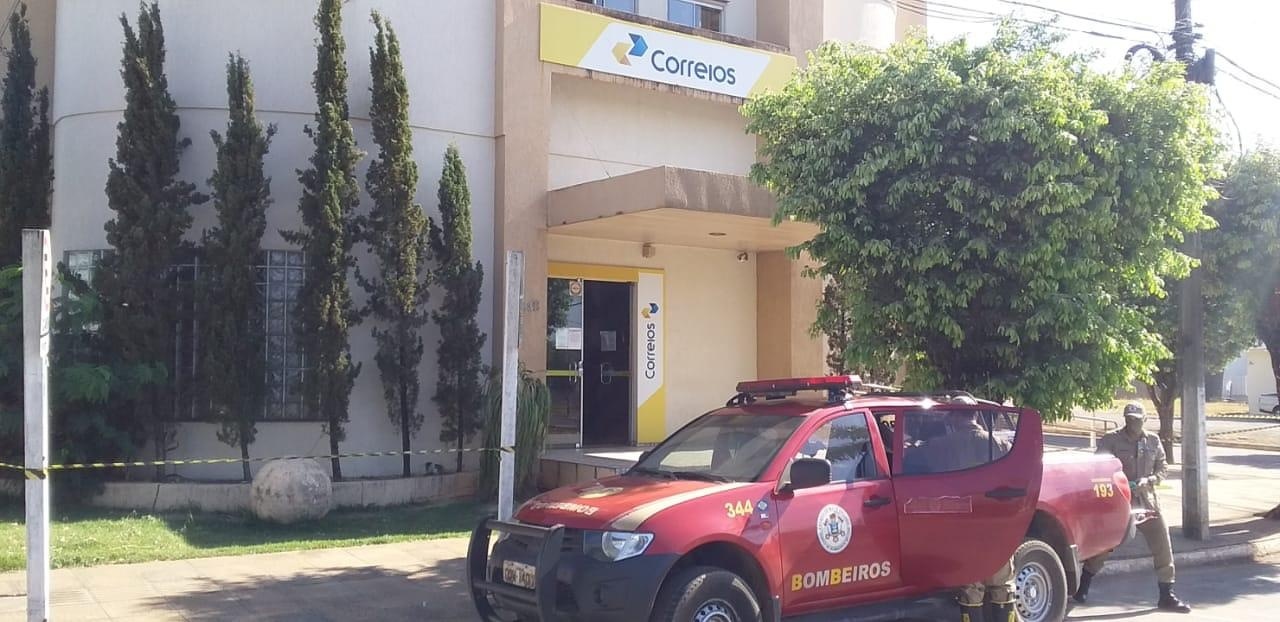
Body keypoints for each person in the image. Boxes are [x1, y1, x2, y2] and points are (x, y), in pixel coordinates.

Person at [1073, 402, 1191, 613]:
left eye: (1136, 419)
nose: (1132, 423)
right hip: (1119, 503)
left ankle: (1167, 594)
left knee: (1163, 546)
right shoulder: (1111, 439)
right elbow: (1098, 468)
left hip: (1147, 502)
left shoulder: (1153, 440)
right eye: (1129, 419)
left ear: (1144, 420)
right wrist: (1120, 482)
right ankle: (1084, 584)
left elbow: (1163, 467)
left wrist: (1151, 479)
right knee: (1106, 544)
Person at [928, 409, 1016, 622]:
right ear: (975, 416)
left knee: (971, 587)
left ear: (955, 417)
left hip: (964, 524)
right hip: (996, 523)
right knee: (1002, 584)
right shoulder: (999, 443)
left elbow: (915, 461)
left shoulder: (941, 445)